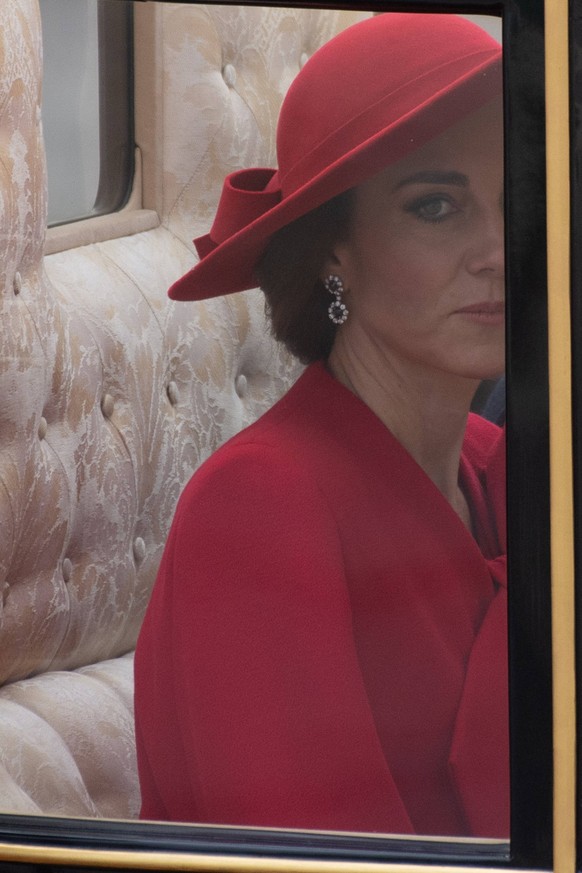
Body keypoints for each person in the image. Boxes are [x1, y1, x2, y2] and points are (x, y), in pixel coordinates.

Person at [135, 12, 508, 839]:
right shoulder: (259, 508)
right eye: (437, 205)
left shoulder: (511, 467)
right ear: (333, 250)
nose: (501, 247)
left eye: (522, 197)